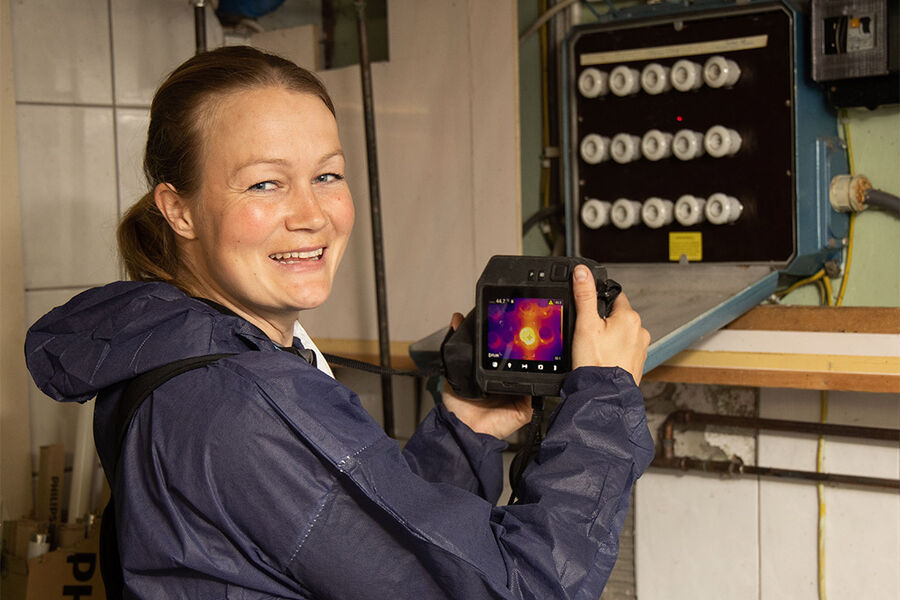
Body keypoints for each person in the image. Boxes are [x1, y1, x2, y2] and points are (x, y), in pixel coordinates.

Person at [25, 46, 653, 599]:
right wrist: (604, 399)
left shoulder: (193, 354)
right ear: (178, 210)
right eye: (266, 184)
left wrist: (466, 427)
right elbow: (525, 588)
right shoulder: (243, 406)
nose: (312, 214)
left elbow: (362, 549)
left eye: (327, 175)